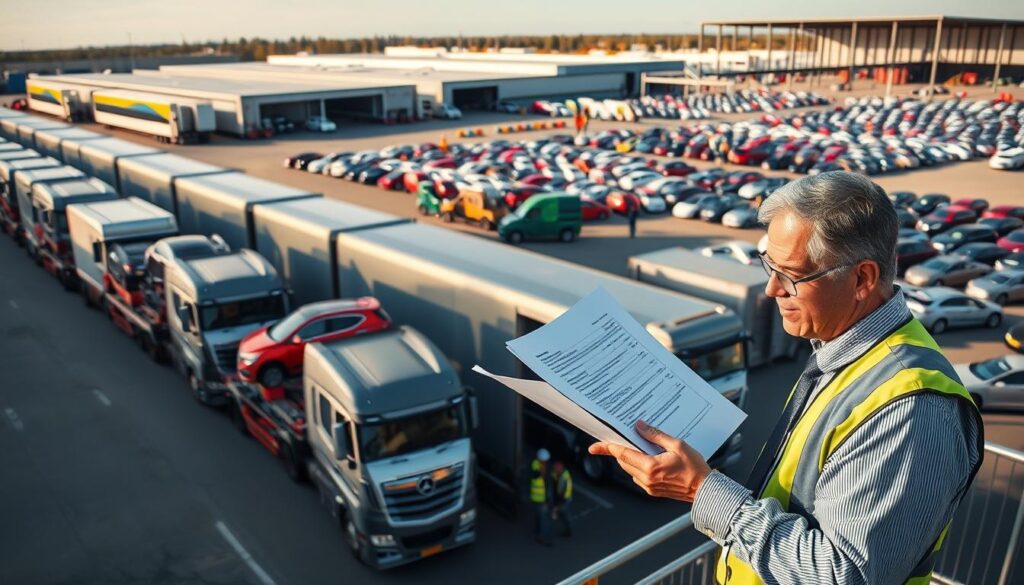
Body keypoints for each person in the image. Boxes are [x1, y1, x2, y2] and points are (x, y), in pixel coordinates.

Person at [588, 171, 983, 585]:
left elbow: (841, 576)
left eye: (792, 274)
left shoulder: (914, 408)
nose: (772, 289)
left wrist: (701, 489)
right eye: (769, 266)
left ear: (862, 279)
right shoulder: (843, 353)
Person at [530, 448, 553, 546]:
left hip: (538, 498)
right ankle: (543, 538)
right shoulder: (536, 466)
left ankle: (538, 532)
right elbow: (536, 475)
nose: (546, 463)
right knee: (544, 519)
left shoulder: (541, 465)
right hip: (540, 499)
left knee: (539, 517)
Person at [551, 461, 573, 537]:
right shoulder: (555, 474)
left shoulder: (566, 478)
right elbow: (554, 486)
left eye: (557, 470)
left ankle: (568, 530)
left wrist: (557, 506)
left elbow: (566, 494)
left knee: (565, 514)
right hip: (559, 497)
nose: (555, 471)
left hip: (565, 500)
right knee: (561, 512)